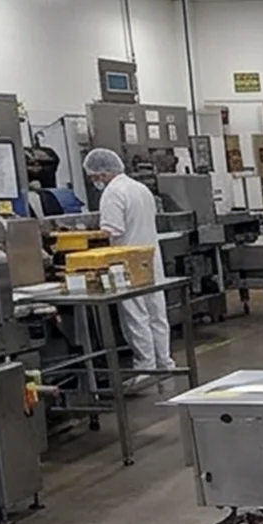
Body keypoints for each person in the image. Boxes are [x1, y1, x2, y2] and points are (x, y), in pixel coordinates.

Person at [83, 148, 171, 378]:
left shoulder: (112, 193)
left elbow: (112, 230)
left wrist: (84, 236)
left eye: (94, 178)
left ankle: (146, 367)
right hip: (151, 260)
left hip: (127, 263)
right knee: (157, 314)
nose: (94, 182)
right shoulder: (140, 188)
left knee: (136, 316)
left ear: (101, 174)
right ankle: (165, 362)